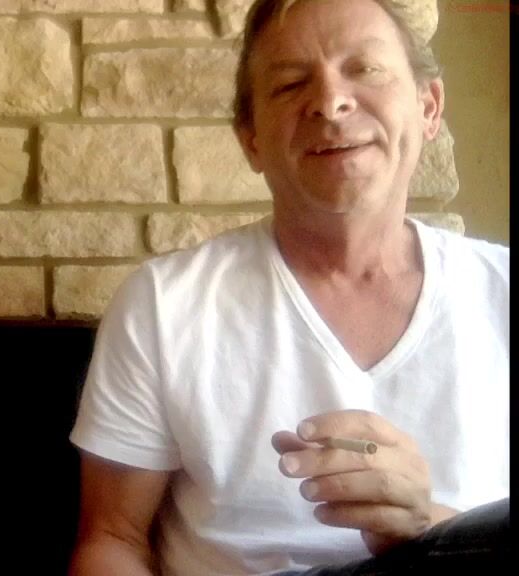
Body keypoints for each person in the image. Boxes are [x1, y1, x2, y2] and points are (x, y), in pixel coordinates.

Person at [68, 0, 509, 574]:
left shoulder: (502, 292)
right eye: (290, 84)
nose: (330, 101)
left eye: (365, 69)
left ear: (428, 108)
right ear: (251, 139)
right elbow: (112, 538)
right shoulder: (162, 305)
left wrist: (428, 525)